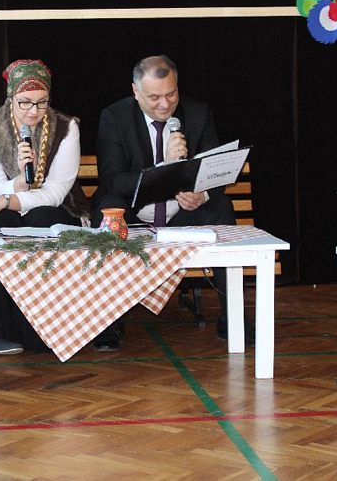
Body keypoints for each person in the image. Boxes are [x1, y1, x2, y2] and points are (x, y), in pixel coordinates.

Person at [92, 55, 240, 351]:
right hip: (135, 216)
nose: (164, 104)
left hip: (180, 215)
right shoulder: (115, 117)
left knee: (221, 206)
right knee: (107, 205)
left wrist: (202, 194)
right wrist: (164, 167)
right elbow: (112, 180)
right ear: (136, 92)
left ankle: (232, 316)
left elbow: (217, 171)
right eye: (154, 97)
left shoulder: (198, 113)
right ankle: (107, 323)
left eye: (171, 94)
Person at [0, 58, 89, 353]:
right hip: (2, 203)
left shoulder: (66, 127)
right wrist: (17, 182)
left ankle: (48, 330)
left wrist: (7, 199)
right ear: (11, 97)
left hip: (55, 207)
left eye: (42, 103)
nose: (34, 111)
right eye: (25, 103)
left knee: (44, 219)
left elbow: (56, 192)